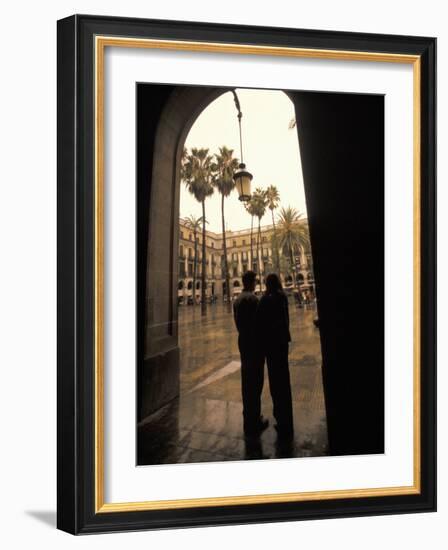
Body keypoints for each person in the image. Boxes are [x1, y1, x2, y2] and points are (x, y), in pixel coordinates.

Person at [257, 273, 294, 439]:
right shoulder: (283, 297)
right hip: (283, 342)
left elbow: (259, 319)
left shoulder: (266, 300)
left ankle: (281, 419)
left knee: (275, 381)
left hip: (271, 344)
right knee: (284, 380)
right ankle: (288, 419)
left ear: (267, 284)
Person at [233, 270, 268, 437]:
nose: (255, 283)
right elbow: (260, 323)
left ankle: (248, 418)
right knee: (256, 381)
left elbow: (237, 322)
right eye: (254, 280)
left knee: (246, 381)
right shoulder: (253, 299)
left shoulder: (237, 300)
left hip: (243, 341)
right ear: (251, 282)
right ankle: (255, 420)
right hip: (255, 343)